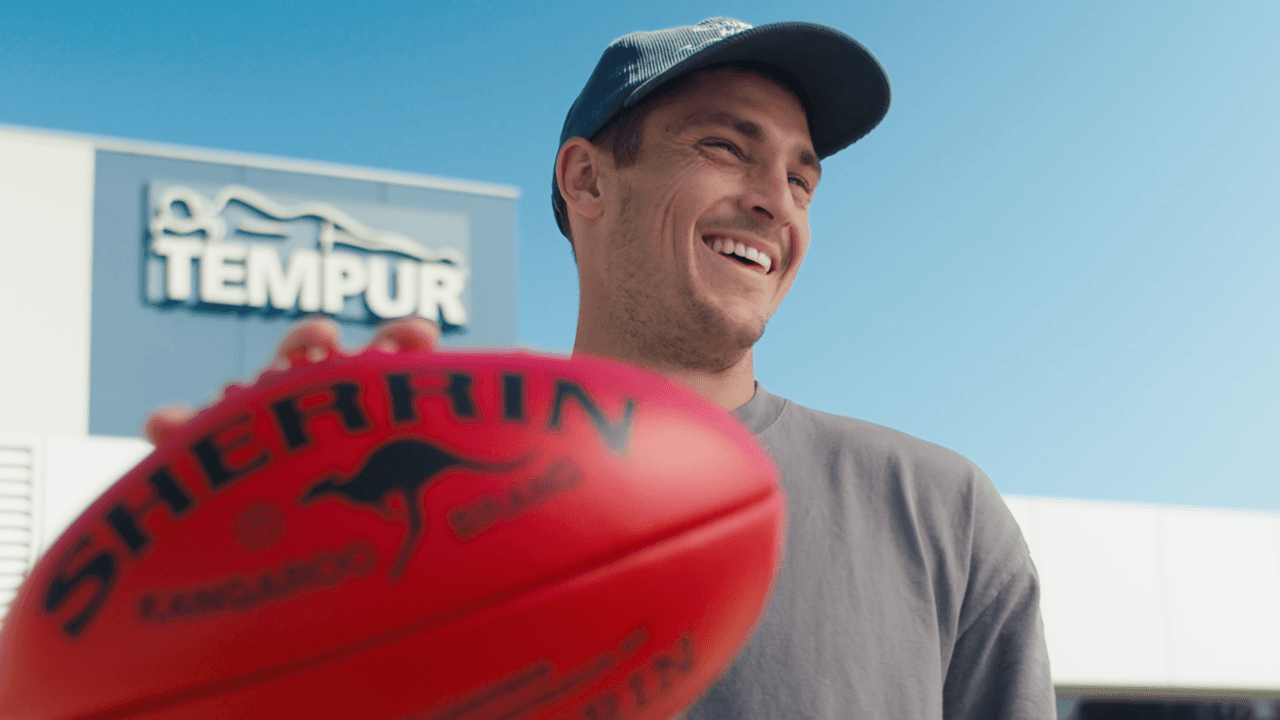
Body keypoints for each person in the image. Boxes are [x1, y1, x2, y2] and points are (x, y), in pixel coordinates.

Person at [149, 17, 1055, 720]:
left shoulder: (941, 513)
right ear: (586, 182)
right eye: (725, 148)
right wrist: (211, 592)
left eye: (802, 179)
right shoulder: (411, 504)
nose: (774, 202)